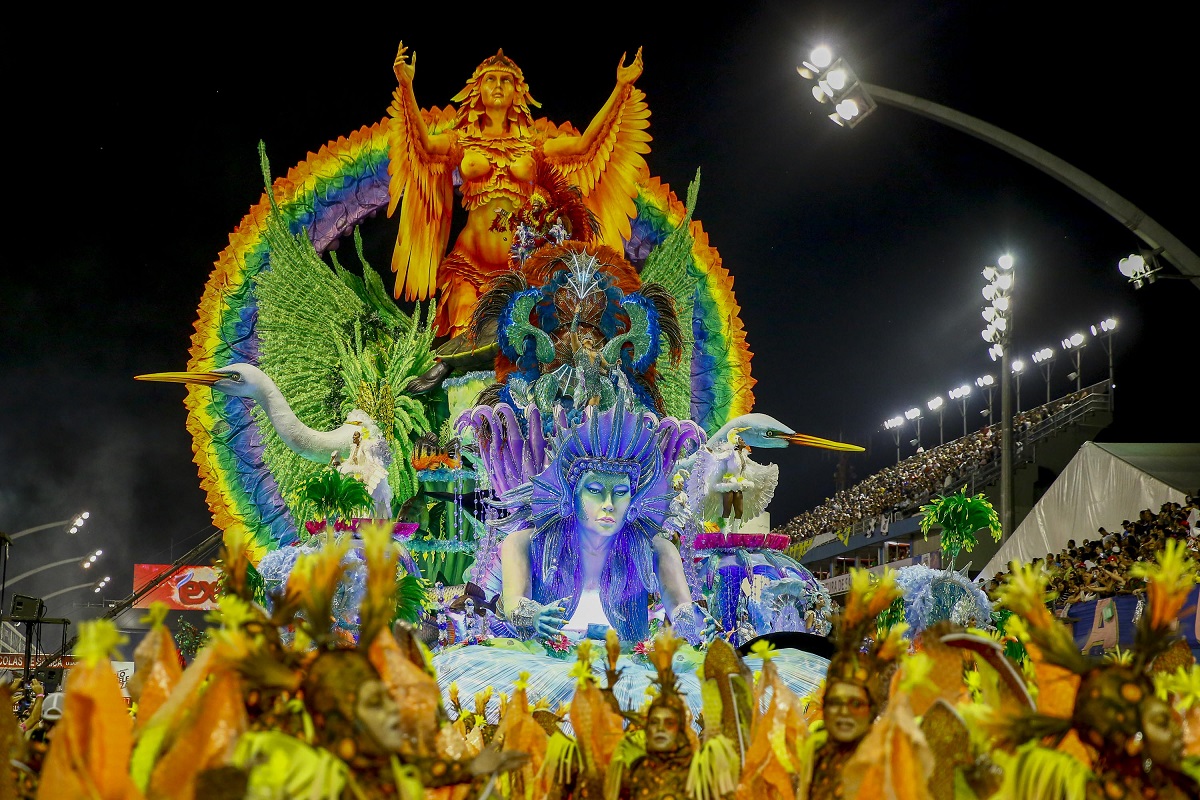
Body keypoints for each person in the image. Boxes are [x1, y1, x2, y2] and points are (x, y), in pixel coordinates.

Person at [388, 43, 650, 337]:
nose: (498, 86)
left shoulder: (535, 146)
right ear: (477, 89)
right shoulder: (459, 142)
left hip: (523, 271)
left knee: (524, 349)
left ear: (518, 91)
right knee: (466, 337)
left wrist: (621, 87)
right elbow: (422, 146)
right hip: (468, 265)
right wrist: (406, 86)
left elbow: (585, 147)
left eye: (506, 80)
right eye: (491, 79)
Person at [495, 397, 702, 643]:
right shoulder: (524, 543)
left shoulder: (657, 550)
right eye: (594, 490)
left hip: (628, 668)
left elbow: (680, 606)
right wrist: (536, 615)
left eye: (621, 492)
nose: (609, 504)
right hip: (544, 663)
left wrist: (696, 622)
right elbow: (513, 603)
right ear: (570, 495)